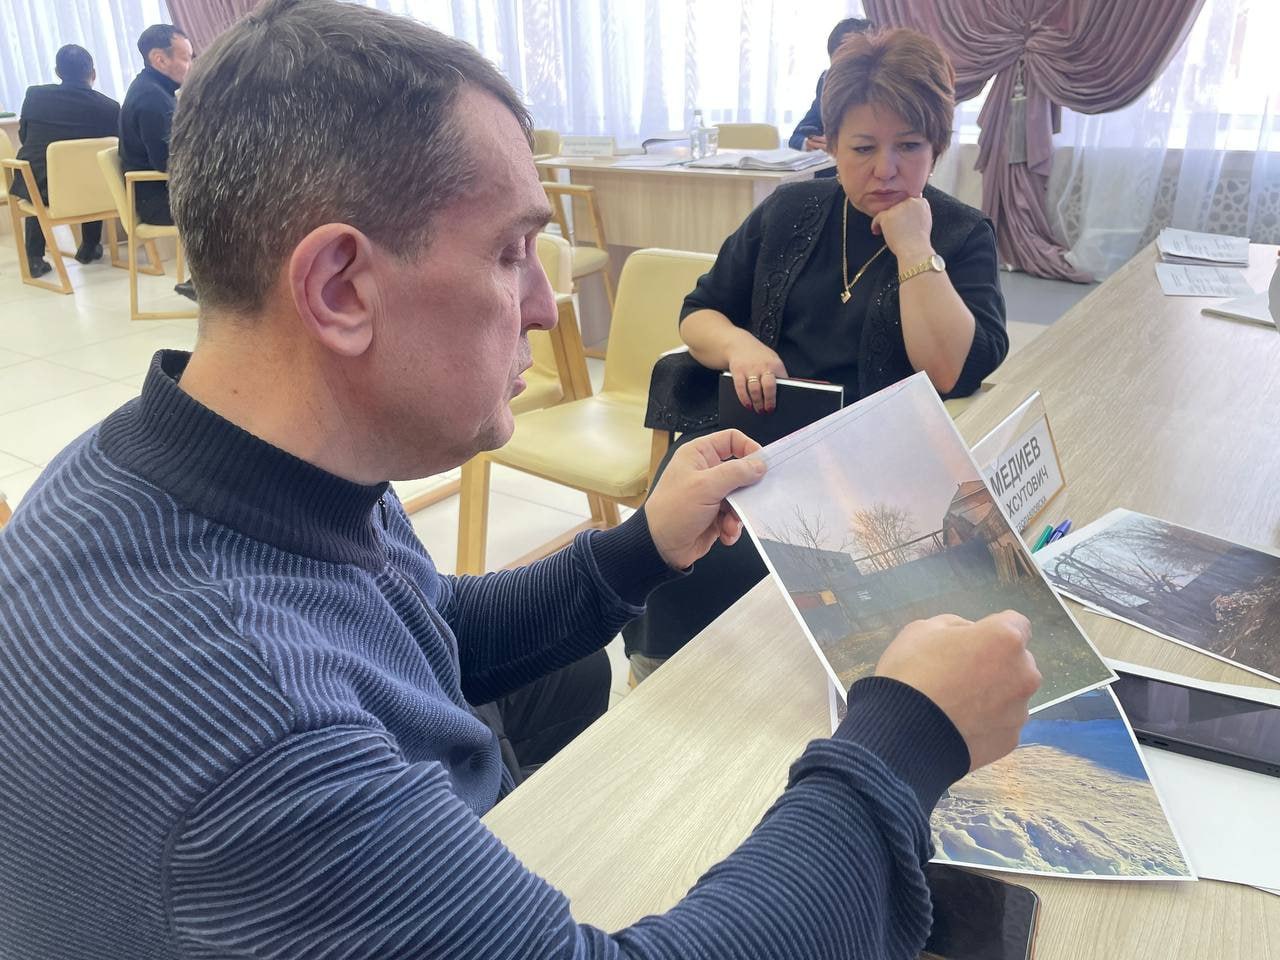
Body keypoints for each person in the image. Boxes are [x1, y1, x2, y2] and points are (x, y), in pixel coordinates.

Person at [0, 3, 1040, 958]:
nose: (547, 306)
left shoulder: (200, 460)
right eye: (511, 254)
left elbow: (416, 633)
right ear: (340, 287)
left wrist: (636, 548)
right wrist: (903, 737)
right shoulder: (250, 732)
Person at [633, 28, 1009, 681]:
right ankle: (656, 675)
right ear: (829, 144)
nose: (886, 169)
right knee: (681, 544)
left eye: (909, 146)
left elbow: (951, 370)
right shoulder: (791, 210)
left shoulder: (960, 233)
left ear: (938, 148)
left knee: (802, 595)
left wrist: (914, 247)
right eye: (863, 147)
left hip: (874, 465)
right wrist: (740, 344)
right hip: (758, 442)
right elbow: (700, 312)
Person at [9, 44, 119, 277]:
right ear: (93, 73)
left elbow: (24, 137)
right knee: (90, 168)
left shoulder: (35, 96)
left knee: (36, 172)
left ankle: (34, 259)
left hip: (43, 190)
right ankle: (89, 246)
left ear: (57, 72)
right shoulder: (109, 107)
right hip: (92, 192)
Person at [119, 22, 195, 300]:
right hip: (157, 201)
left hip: (162, 192)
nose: (191, 66)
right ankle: (214, 285)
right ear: (160, 59)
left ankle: (211, 283)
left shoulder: (154, 90)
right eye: (186, 58)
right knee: (238, 206)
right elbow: (167, 162)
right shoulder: (151, 98)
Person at [787, 17, 873, 152]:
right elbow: (798, 136)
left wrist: (843, 146)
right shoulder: (826, 84)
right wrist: (810, 143)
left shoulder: (886, 88)